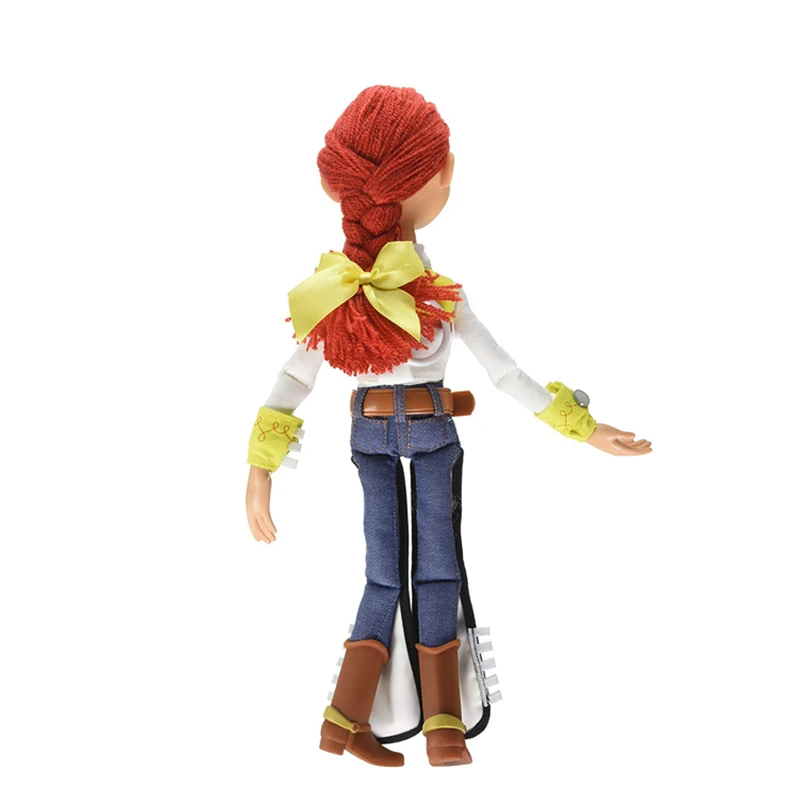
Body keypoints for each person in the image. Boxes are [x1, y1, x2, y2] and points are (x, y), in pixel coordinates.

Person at [245, 85, 652, 768]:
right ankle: (438, 724)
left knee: (385, 573)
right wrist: (582, 428)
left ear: (332, 185)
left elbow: (293, 380)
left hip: (372, 435)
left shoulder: (335, 291)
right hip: (432, 433)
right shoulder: (433, 294)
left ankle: (353, 722)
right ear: (442, 175)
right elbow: (505, 374)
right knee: (435, 570)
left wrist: (260, 471)